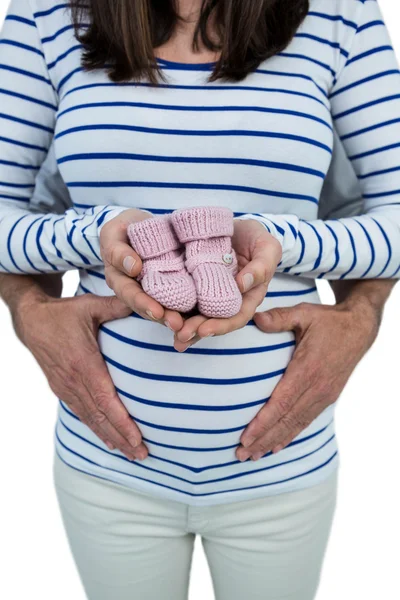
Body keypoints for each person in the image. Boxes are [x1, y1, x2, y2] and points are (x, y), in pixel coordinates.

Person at [0, 1, 399, 599]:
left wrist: (285, 245)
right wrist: (85, 242)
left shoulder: (343, 16)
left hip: (282, 467)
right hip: (108, 466)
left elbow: (387, 212)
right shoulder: (42, 17)